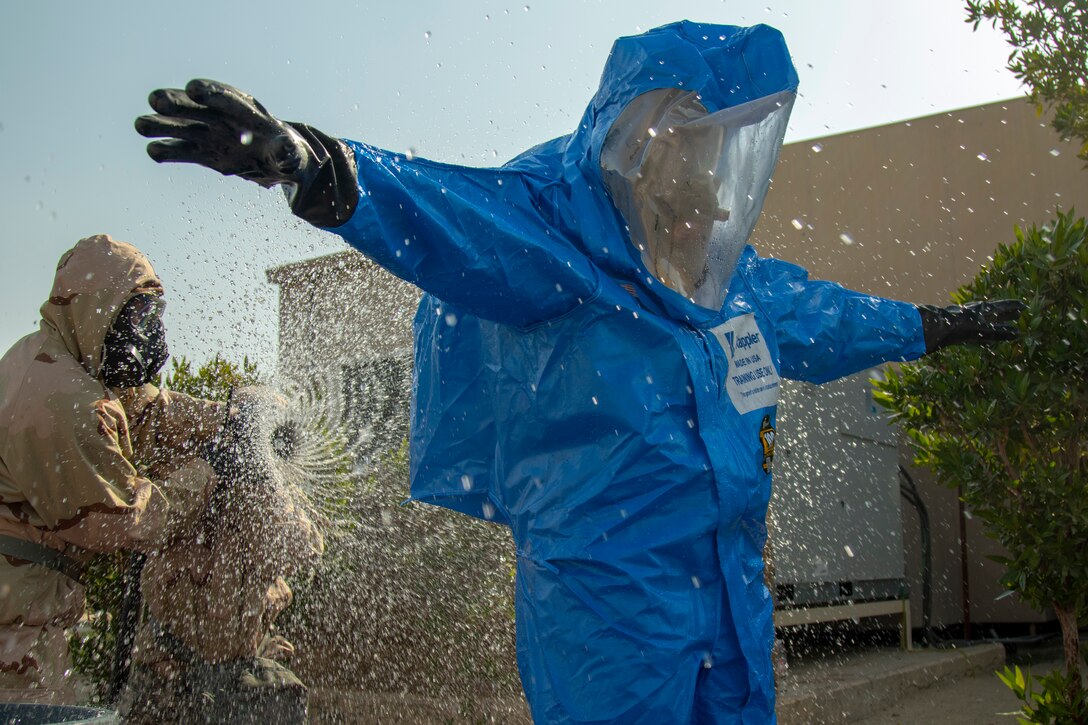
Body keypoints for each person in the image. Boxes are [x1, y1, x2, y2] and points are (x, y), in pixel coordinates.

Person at [136, 22, 1024, 723]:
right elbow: (441, 211)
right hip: (607, 611)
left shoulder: (731, 283)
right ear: (640, 152)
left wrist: (941, 325)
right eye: (692, 167)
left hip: (728, 598)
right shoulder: (555, 238)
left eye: (721, 168)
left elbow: (828, 317)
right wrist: (315, 162)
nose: (714, 197)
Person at [0, 235, 223, 703]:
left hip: (27, 615)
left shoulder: (66, 356)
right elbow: (122, 524)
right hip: (12, 643)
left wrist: (230, 416)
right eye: (138, 318)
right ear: (99, 307)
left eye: (152, 318)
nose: (150, 336)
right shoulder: (61, 397)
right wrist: (198, 481)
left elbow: (149, 411)